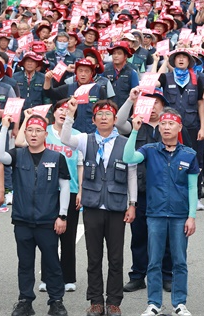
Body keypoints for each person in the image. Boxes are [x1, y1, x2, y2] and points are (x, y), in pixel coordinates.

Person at [60, 99, 137, 316]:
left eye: (108, 114)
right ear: (93, 120)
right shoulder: (86, 140)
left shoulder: (125, 142)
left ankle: (113, 301)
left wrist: (132, 204)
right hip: (93, 205)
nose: (104, 118)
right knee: (93, 256)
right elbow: (65, 138)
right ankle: (95, 300)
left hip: (116, 206)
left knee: (116, 257)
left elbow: (131, 174)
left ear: (115, 120)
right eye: (99, 114)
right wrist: (70, 115)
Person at [123, 108, 199, 316]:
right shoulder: (149, 150)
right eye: (163, 124)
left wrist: (191, 216)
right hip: (155, 214)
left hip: (179, 215)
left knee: (179, 261)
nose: (166, 127)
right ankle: (153, 303)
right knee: (154, 260)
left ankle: (180, 303)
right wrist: (135, 132)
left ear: (179, 127)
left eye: (171, 124)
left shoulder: (189, 154)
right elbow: (128, 157)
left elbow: (193, 188)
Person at [0, 115, 70, 316]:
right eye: (30, 130)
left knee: (52, 262)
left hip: (48, 220)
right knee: (25, 263)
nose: (34, 134)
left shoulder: (56, 157)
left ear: (46, 134)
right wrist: (5, 127)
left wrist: (62, 216)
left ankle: (56, 301)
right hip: (22, 220)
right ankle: (25, 300)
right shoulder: (17, 155)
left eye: (38, 130)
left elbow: (64, 187)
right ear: (24, 133)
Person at [14, 99, 83, 293]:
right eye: (59, 109)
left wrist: (81, 191)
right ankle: (46, 278)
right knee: (48, 236)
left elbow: (80, 165)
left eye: (66, 110)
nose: (63, 112)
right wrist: (27, 118)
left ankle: (68, 277)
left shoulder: (76, 136)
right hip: (47, 191)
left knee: (67, 236)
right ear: (53, 113)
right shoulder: (45, 132)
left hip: (70, 190)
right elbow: (20, 143)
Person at [116, 88, 176, 294]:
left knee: (166, 235)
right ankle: (138, 275)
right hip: (140, 190)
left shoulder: (170, 127)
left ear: (163, 105)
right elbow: (118, 122)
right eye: (146, 103)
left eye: (155, 103)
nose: (151, 108)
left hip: (165, 191)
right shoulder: (136, 127)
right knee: (139, 235)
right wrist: (130, 99)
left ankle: (166, 275)